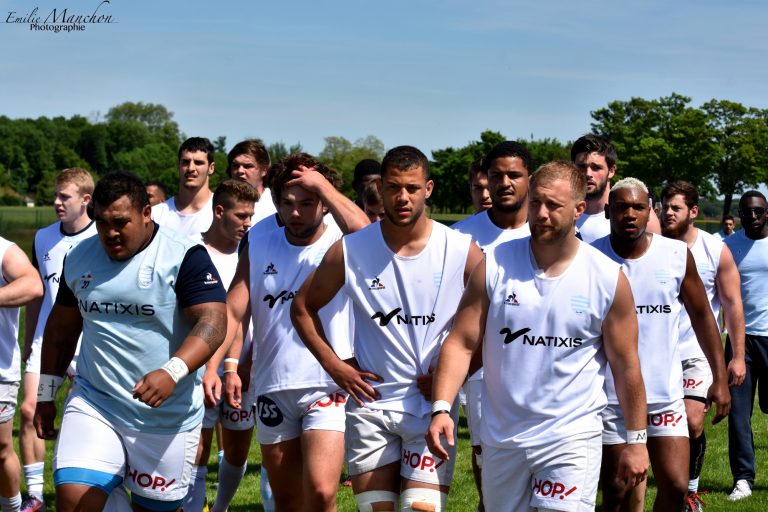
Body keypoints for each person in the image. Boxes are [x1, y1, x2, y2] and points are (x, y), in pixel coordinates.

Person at [426, 161, 648, 511]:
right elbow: (462, 341)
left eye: (554, 206)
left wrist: (636, 440)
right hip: (503, 438)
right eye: (536, 203)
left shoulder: (607, 277)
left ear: (578, 209)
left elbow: (626, 365)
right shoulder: (495, 263)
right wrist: (441, 407)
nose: (541, 214)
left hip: (571, 436)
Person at [292, 145, 483, 512]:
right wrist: (335, 366)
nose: (403, 197)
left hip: (431, 408)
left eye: (412, 188)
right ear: (381, 188)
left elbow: (496, 317)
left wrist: (459, 374)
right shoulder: (351, 250)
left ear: (428, 188)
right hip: (371, 407)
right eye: (394, 187)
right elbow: (302, 308)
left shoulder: (459, 249)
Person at [33, 170, 227, 512]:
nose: (110, 233)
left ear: (146, 213)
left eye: (121, 222)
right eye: (102, 222)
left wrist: (172, 371)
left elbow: (213, 321)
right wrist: (45, 395)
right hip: (96, 403)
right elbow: (61, 329)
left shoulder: (184, 255)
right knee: (74, 500)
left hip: (165, 417)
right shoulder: (79, 257)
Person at [208, 152, 369, 512]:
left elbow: (368, 233)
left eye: (308, 202)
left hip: (327, 383)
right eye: (287, 203)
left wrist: (322, 186)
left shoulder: (343, 238)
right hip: (273, 384)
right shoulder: (260, 236)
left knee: (322, 494)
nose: (296, 213)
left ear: (325, 203)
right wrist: (223, 365)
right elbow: (235, 308)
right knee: (287, 502)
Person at [593, 178, 730, 511]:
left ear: (649, 210)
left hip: (665, 396)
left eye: (638, 207)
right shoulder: (591, 256)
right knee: (616, 492)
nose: (629, 214)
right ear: (609, 211)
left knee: (675, 485)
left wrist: (720, 378)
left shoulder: (675, 255)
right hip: (610, 399)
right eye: (622, 206)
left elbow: (702, 316)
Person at [450, 140, 533, 511]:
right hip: (483, 371)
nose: (503, 183)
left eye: (513, 175)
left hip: (542, 366)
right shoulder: (459, 237)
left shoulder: (551, 227)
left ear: (529, 179)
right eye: (495, 176)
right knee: (489, 458)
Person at [660, 180, 746, 510]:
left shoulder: (714, 249)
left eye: (675, 207)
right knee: (658, 429)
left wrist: (736, 356)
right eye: (664, 206)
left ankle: (689, 492)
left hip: (696, 352)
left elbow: (733, 303)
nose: (668, 212)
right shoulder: (650, 245)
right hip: (655, 353)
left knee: (692, 421)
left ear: (693, 212)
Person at [20, 168, 97, 512]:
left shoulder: (100, 237)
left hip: (88, 343)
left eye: (64, 197)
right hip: (46, 340)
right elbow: (38, 294)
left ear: (85, 200)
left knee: (86, 419)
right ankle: (35, 495)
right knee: (28, 411)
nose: (56, 202)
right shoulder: (42, 238)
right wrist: (30, 339)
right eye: (55, 195)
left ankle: (91, 484)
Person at [182, 180, 258, 512]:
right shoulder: (190, 252)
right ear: (219, 211)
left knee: (237, 452)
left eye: (251, 216)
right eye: (241, 216)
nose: (248, 223)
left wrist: (233, 365)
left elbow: (238, 317)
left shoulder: (253, 253)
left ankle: (221, 507)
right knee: (197, 451)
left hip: (242, 369)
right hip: (198, 369)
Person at [723, 191, 768, 501]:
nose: (753, 217)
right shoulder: (728, 247)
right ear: (739, 214)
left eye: (759, 211)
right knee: (738, 414)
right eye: (747, 212)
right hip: (740, 342)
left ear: (767, 212)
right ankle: (743, 479)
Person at [0, 236, 44, 512]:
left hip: (0, 370)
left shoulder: (4, 250)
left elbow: (33, 284)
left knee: (0, 449)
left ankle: (11, 509)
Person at [570, 134, 661, 243]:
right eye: (581, 166)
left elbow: (657, 257)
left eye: (596, 168)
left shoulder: (640, 214)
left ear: (611, 170)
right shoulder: (563, 213)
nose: (588, 173)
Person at [152, 137, 217, 239]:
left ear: (211, 168)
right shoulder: (156, 215)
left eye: (198, 162)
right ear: (178, 165)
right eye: (185, 162)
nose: (191, 168)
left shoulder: (221, 213)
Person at [227, 139, 277, 224]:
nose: (240, 171)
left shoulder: (276, 204)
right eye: (235, 165)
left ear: (264, 170)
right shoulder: (219, 202)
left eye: (247, 166)